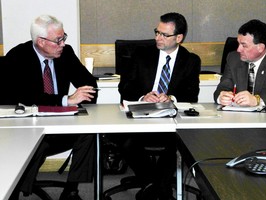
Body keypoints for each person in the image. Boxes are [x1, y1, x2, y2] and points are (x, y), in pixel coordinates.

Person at [6, 15, 98, 200]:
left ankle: (71, 191)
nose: (63, 43)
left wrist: (78, 103)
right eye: (58, 40)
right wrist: (66, 100)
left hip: (62, 124)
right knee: (39, 143)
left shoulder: (66, 53)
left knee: (90, 133)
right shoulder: (18, 56)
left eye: (64, 37)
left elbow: (89, 83)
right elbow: (26, 97)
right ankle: (15, 191)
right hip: (28, 127)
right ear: (40, 42)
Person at [115, 12, 201, 200]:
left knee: (177, 143)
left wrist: (170, 97)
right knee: (127, 142)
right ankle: (155, 186)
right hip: (140, 117)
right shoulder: (141, 54)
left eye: (164, 34)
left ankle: (154, 188)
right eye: (157, 32)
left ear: (179, 38)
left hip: (170, 119)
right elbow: (125, 87)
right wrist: (143, 96)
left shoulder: (191, 61)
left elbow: (192, 94)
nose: (157, 38)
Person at [214, 19, 266, 109]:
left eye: (244, 45)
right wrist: (221, 97)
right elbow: (222, 88)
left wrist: (257, 100)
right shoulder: (233, 59)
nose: (238, 49)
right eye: (238, 44)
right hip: (238, 119)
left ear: (260, 47)